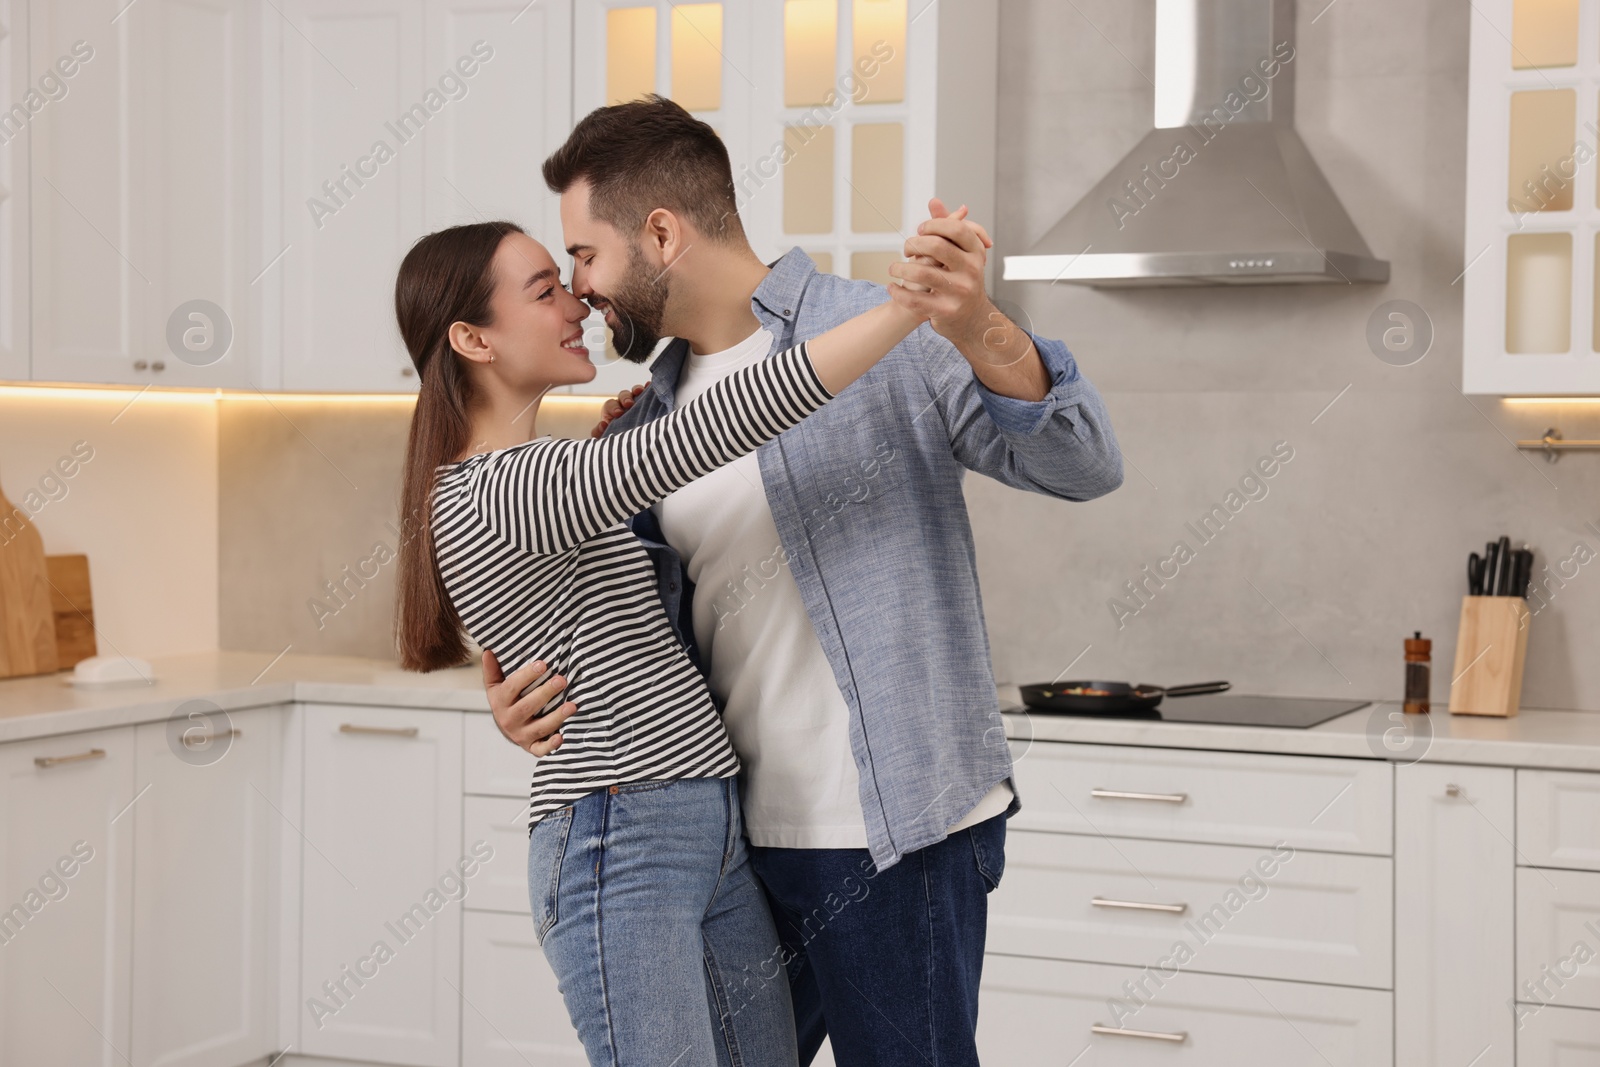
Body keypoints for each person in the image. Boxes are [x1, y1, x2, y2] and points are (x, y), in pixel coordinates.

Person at [482, 95, 1124, 1065]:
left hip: (897, 830)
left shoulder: (884, 329)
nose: (580, 290)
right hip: (724, 840)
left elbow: (1082, 464)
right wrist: (518, 694)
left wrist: (982, 323)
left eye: (585, 255)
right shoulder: (644, 418)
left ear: (660, 232)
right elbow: (613, 627)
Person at [390, 215, 979, 1066]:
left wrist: (617, 446)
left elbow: (583, 629)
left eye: (569, 274)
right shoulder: (508, 486)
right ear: (472, 337)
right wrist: (904, 309)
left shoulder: (547, 474)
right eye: (545, 289)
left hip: (706, 827)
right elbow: (721, 426)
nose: (578, 300)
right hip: (619, 845)